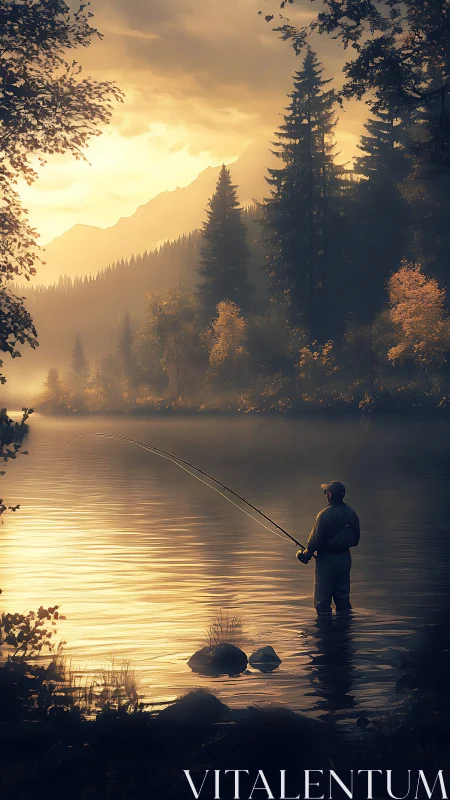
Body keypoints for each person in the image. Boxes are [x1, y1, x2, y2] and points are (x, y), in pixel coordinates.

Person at [297, 481, 360, 614]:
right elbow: (356, 541)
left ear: (329, 495)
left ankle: (324, 631)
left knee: (322, 601)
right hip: (345, 559)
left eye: (326, 492)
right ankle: (345, 630)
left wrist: (305, 554)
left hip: (327, 560)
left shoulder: (324, 515)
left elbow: (315, 541)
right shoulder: (352, 513)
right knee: (343, 598)